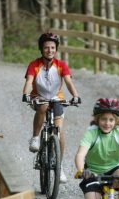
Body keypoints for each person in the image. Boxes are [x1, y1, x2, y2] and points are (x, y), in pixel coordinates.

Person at [22, 32, 81, 184]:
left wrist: (75, 96)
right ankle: (35, 138)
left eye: (53, 47)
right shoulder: (34, 65)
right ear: (41, 49)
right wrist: (25, 94)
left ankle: (59, 166)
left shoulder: (61, 65)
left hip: (57, 99)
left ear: (56, 49)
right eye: (47, 47)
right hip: (38, 97)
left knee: (59, 132)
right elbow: (29, 81)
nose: (50, 50)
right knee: (43, 106)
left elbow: (68, 82)